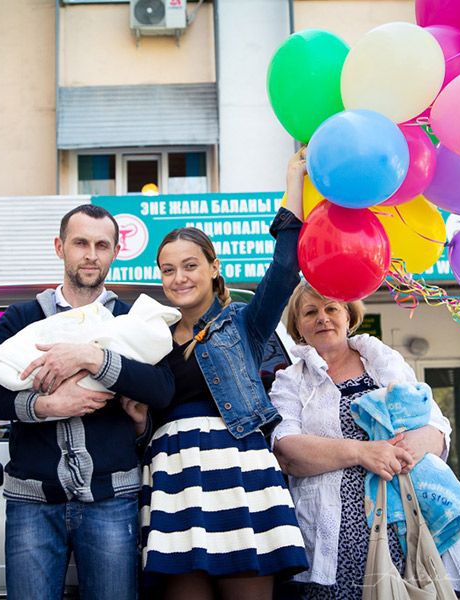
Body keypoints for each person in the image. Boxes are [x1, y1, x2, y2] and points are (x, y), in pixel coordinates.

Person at [0, 204, 175, 600]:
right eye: (80, 243)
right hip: (32, 503)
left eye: (101, 245)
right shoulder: (22, 317)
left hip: (112, 501)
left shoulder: (130, 320)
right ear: (60, 247)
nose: (90, 254)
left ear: (114, 252)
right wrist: (45, 406)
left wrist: (94, 358)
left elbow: (162, 388)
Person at [139, 148, 311, 600]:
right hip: (172, 474)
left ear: (214, 268)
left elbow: (286, 267)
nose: (179, 277)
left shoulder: (244, 323)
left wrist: (293, 181)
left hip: (238, 468)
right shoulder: (148, 336)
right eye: (168, 269)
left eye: (191, 265)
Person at [268, 282, 460, 599]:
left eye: (331, 308)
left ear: (348, 316)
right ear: (297, 326)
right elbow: (286, 450)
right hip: (333, 551)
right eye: (310, 312)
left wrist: (411, 446)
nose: (322, 318)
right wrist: (364, 452)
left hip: (407, 535)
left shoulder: (384, 362)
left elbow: (437, 428)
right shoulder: (290, 381)